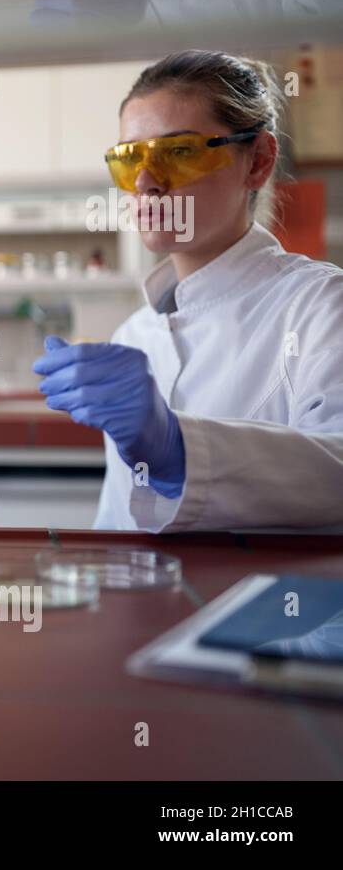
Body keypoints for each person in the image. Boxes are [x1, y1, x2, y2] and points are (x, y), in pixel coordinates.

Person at [34, 49, 343, 532]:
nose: (146, 183)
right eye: (129, 159)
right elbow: (118, 527)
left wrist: (178, 449)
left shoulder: (320, 307)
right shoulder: (134, 334)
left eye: (178, 153)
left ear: (258, 162)